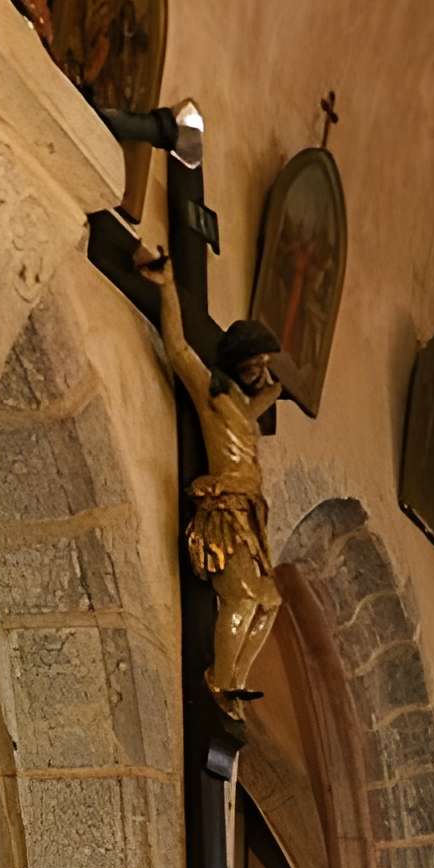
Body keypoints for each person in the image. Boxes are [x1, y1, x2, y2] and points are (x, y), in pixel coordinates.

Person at [136, 242, 286, 702]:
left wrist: (281, 386)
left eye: (265, 365)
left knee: (271, 601)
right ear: (238, 363)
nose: (262, 372)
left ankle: (236, 681)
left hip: (249, 510)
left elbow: (266, 399)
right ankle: (220, 681)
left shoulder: (245, 403)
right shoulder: (214, 395)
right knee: (242, 598)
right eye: (255, 364)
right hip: (223, 508)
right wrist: (167, 290)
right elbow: (179, 349)